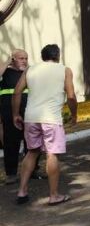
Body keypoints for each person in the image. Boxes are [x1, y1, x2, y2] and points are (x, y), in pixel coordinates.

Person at [14, 44, 77, 206]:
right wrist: (74, 115)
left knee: (32, 152)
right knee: (52, 154)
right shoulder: (65, 70)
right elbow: (71, 96)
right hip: (51, 119)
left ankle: (22, 191)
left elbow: (17, 92)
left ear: (43, 56)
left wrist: (15, 114)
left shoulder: (30, 70)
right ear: (58, 56)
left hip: (31, 117)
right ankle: (54, 195)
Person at [1, 49, 29, 184]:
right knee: (11, 142)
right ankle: (11, 174)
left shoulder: (28, 72)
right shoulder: (5, 71)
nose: (24, 61)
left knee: (31, 140)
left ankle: (32, 169)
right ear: (13, 59)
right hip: (10, 112)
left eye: (26, 58)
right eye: (21, 58)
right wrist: (7, 61)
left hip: (29, 110)